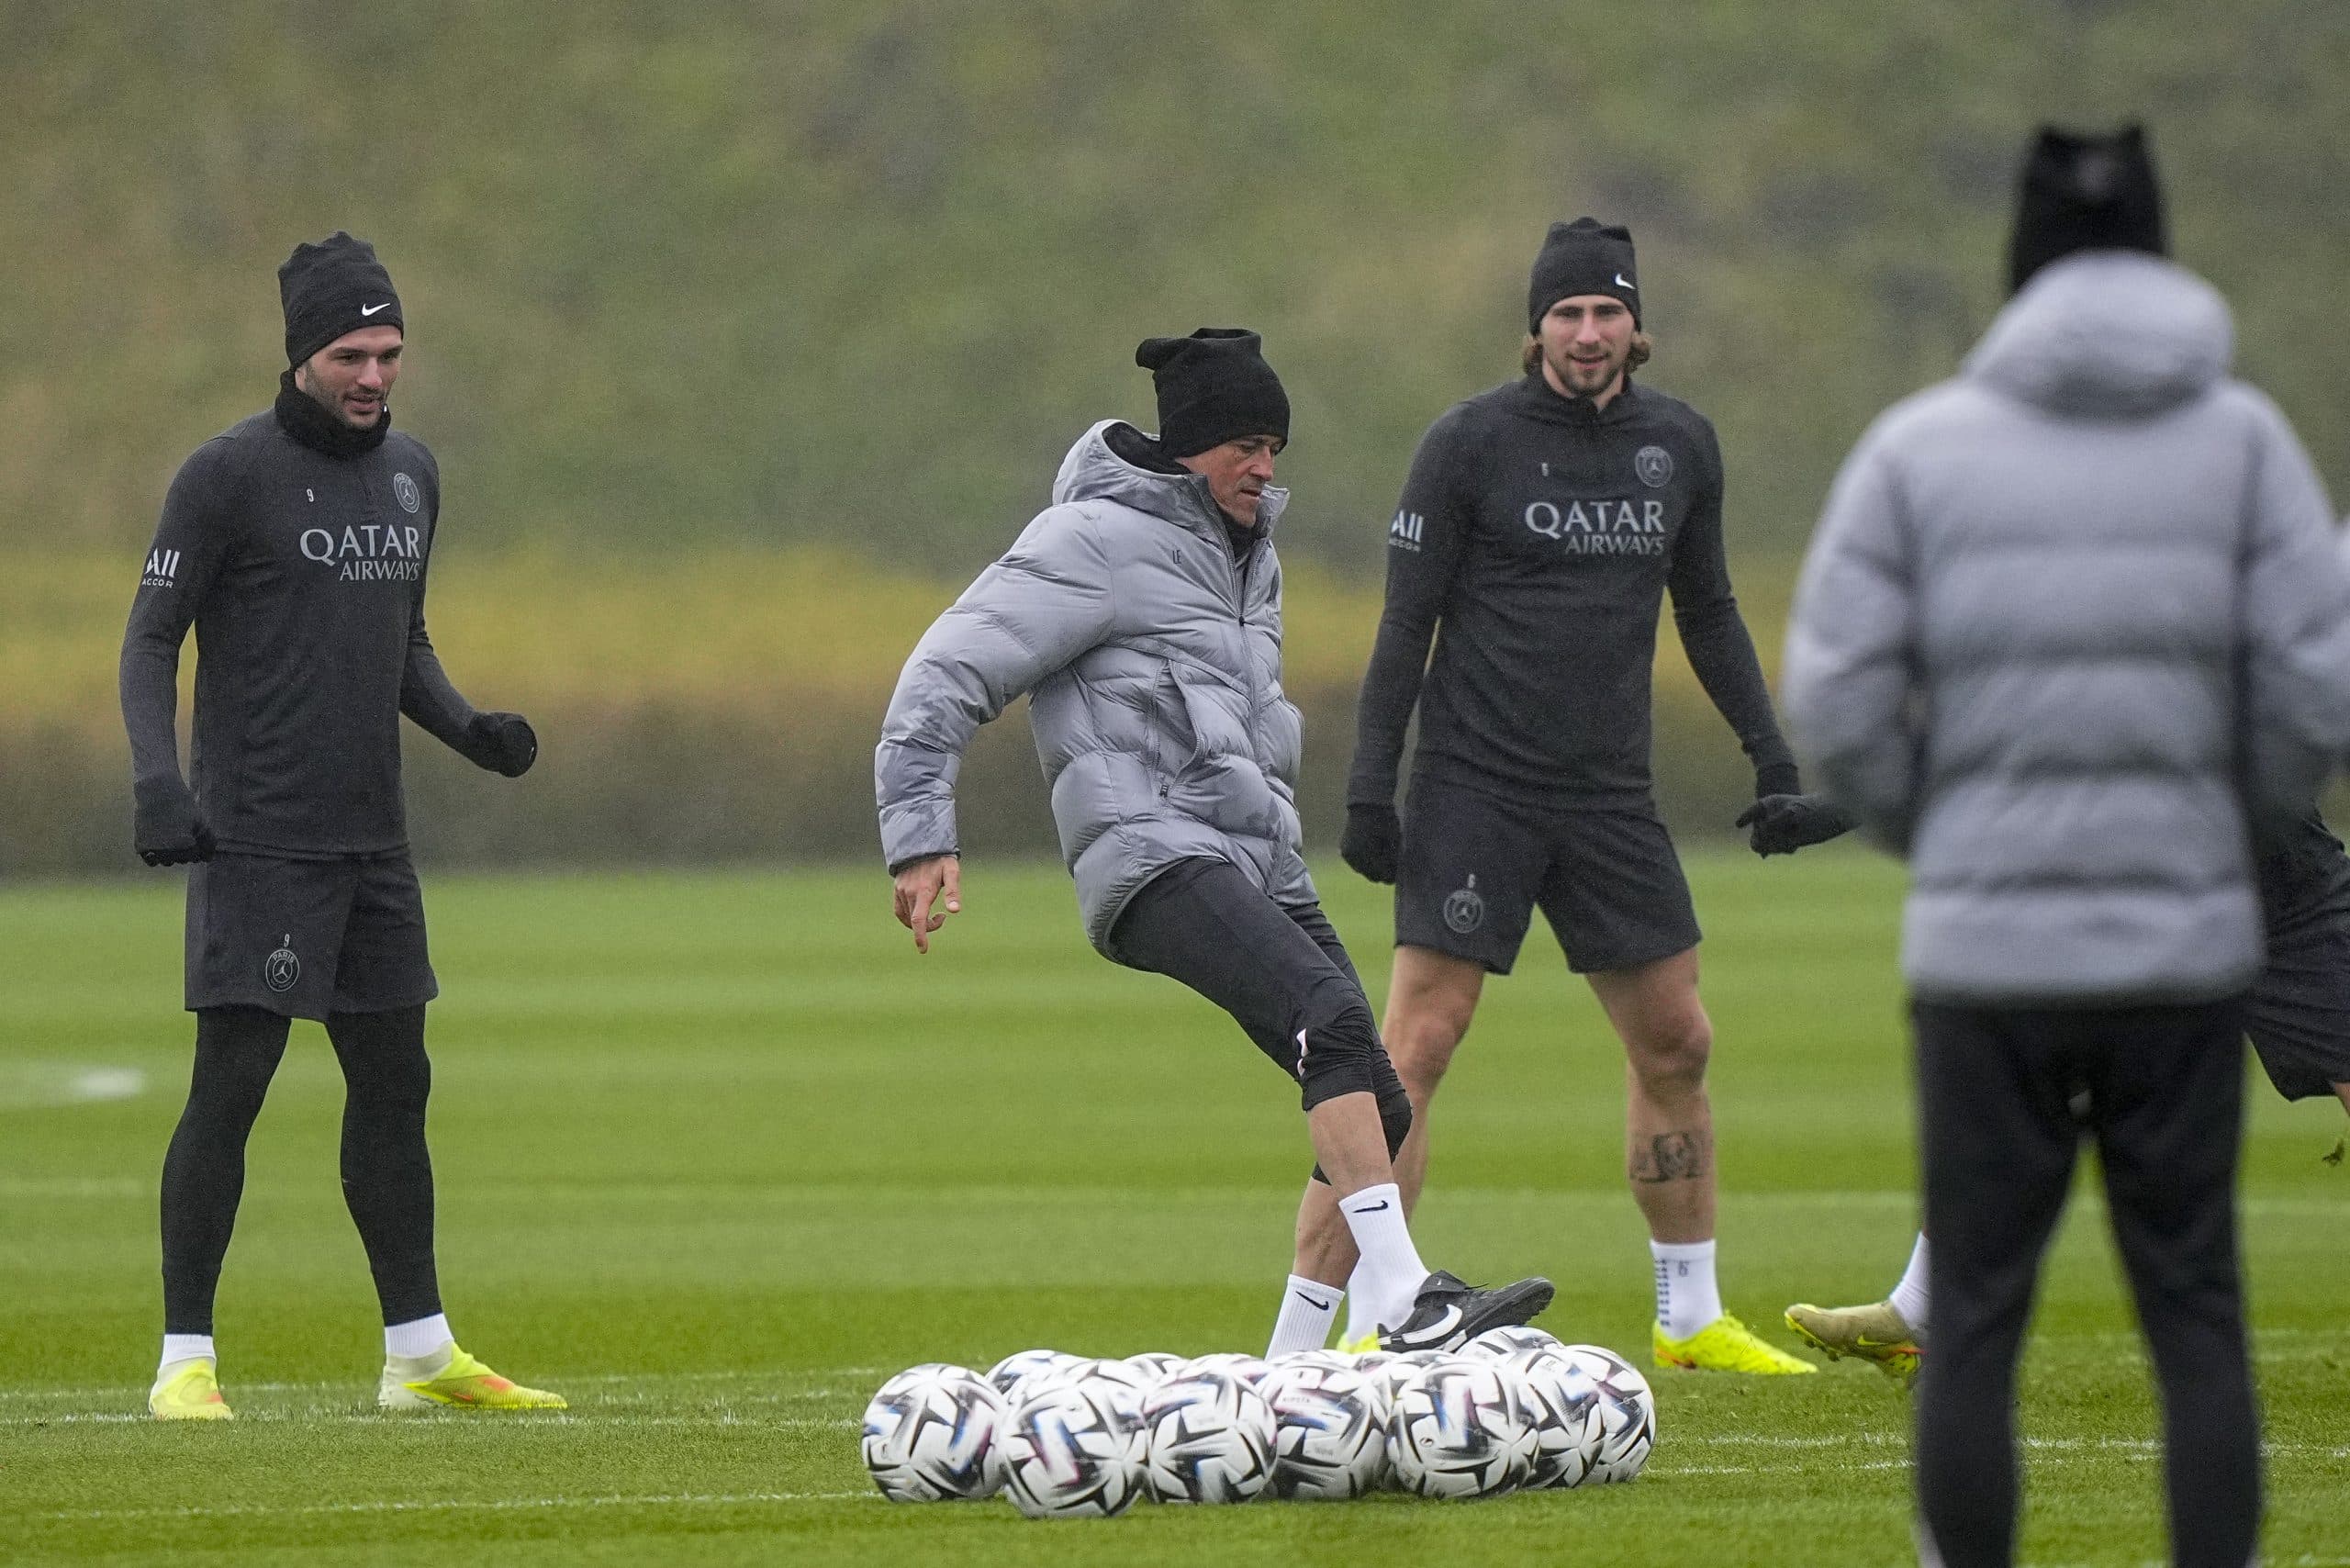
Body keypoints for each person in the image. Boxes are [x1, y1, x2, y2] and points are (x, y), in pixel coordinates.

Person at [1782, 127, 2350, 1568]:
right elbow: (2312, 690)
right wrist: (2226, 830)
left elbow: (1838, 703)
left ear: (2016, 264)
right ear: (2161, 250)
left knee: (1978, 1314)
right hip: (2183, 951)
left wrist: (1944, 831)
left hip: (1989, 959)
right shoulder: (2247, 444)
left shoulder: (1920, 444)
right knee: (2196, 1315)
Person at [876, 328, 1553, 1354]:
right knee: (1324, 1019)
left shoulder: (1253, 559)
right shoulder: (1088, 541)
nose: (1265, 465)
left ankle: (1289, 1363)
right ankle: (1406, 1301)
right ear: (1189, 443)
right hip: (1147, 853)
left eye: (1275, 445)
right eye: (1245, 443)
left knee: (1377, 1095)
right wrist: (921, 835)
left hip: (1253, 858)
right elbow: (944, 671)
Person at [1291, 218, 1848, 1370]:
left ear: (1635, 325)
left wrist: (1773, 759)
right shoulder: (1467, 444)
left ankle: (1689, 1317)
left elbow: (1708, 611)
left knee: (1677, 1040)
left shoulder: (1680, 446)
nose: (1587, 333)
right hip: (1474, 785)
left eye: (1606, 312)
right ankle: (1365, 1323)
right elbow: (1406, 624)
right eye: (1566, 314)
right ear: (1535, 327)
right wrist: (1368, 788)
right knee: (1412, 1050)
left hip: (1609, 795)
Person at [121, 233, 563, 1419]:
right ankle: (184, 1363)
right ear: (302, 356)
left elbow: (399, 641)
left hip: (376, 842)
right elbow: (150, 636)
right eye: (349, 354)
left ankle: (419, 1357)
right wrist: (160, 784)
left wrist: (470, 730)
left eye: (390, 354)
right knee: (234, 1085)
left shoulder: (413, 473)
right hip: (256, 837)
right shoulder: (225, 476)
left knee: (397, 1079)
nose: (374, 375)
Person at [1786, 808, 2350, 1389]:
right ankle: (1919, 1307)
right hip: (2127, 907)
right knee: (2022, 1089)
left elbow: (2290, 730)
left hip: (2284, 899)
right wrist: (1837, 807)